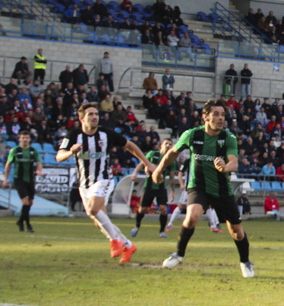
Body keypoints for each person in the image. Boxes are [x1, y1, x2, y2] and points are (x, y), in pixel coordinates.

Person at [154, 99, 254, 277]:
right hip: (198, 187)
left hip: (222, 191)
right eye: (216, 114)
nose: (220, 118)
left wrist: (224, 167)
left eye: (223, 115)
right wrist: (158, 170)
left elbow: (234, 163)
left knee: (237, 232)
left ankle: (245, 262)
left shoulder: (228, 138)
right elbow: (172, 153)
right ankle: (178, 254)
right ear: (205, 117)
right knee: (192, 216)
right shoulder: (192, 135)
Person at [56, 103, 154, 263]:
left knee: (93, 209)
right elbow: (59, 156)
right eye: (90, 114)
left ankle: (115, 241)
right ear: (82, 118)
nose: (95, 117)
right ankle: (127, 245)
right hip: (84, 185)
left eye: (96, 114)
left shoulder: (105, 134)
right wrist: (70, 152)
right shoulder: (74, 135)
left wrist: (147, 163)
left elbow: (129, 146)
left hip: (104, 180)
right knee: (98, 220)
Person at [130, 139, 177, 239]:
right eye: (166, 143)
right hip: (149, 186)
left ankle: (161, 231)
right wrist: (135, 173)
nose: (168, 145)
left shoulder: (171, 160)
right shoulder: (152, 154)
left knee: (164, 209)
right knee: (142, 209)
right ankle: (137, 225)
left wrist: (172, 191)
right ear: (161, 145)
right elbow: (142, 164)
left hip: (161, 187)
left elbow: (172, 177)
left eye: (170, 144)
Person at [3, 130, 42, 232]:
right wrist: (6, 179)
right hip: (19, 179)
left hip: (30, 179)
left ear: (29, 139)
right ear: (19, 139)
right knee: (25, 201)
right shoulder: (15, 151)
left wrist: (39, 171)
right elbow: (8, 164)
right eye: (23, 138)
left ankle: (20, 221)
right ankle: (28, 224)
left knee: (30, 202)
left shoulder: (33, 151)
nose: (25, 140)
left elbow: (38, 162)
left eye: (27, 138)